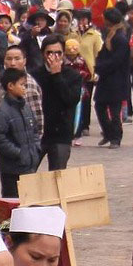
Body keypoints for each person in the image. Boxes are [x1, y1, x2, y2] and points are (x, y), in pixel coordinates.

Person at [0, 67, 41, 198]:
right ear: (10, 86)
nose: (24, 88)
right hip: (11, 169)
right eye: (22, 85)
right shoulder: (2, 110)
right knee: (12, 203)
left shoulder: (25, 107)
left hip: (28, 166)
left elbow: (34, 130)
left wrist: (35, 148)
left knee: (28, 201)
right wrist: (18, 153)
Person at [37, 44, 81, 172]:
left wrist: (56, 76)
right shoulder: (34, 74)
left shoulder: (73, 75)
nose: (54, 56)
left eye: (58, 53)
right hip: (38, 132)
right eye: (49, 52)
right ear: (43, 54)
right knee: (26, 174)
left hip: (61, 132)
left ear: (63, 54)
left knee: (58, 175)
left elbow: (70, 100)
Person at [92, 8, 130, 148]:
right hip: (106, 80)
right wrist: (98, 64)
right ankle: (107, 132)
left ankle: (116, 137)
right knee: (99, 106)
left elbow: (116, 60)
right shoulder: (109, 35)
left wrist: (101, 67)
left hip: (117, 81)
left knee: (114, 111)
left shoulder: (120, 38)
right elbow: (103, 54)